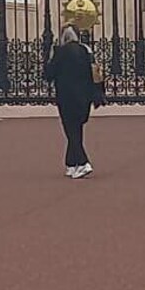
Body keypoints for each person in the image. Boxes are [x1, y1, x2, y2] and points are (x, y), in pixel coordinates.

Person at [44, 25, 97, 179]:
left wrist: (50, 57)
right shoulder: (86, 50)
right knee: (76, 128)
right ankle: (71, 163)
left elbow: (48, 74)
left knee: (70, 130)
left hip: (66, 96)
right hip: (84, 95)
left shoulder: (60, 52)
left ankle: (83, 162)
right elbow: (95, 72)